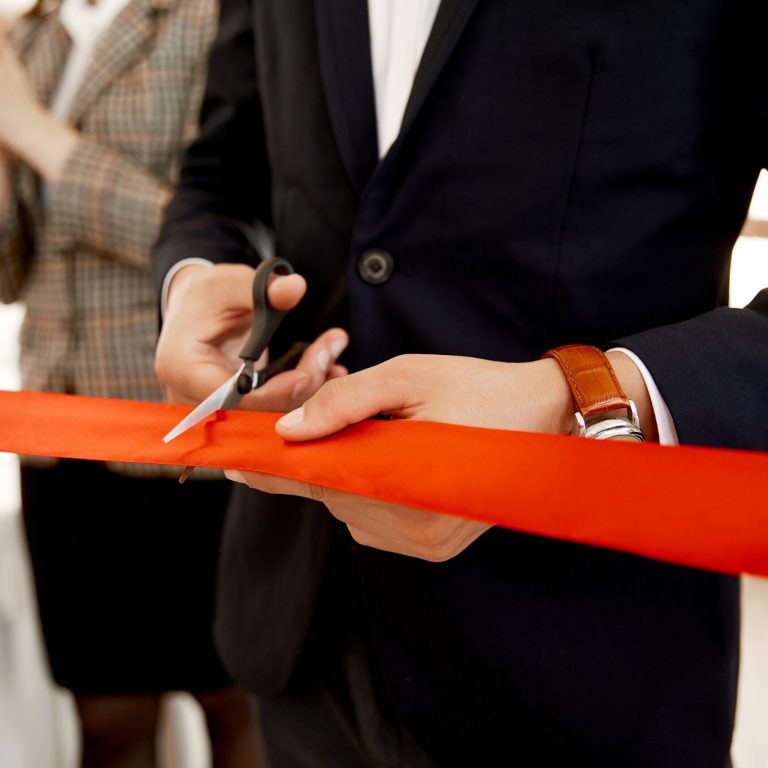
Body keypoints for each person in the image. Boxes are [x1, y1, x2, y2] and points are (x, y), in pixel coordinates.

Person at [152, 0, 768, 765]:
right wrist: (190, 281)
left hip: (586, 658)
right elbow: (220, 174)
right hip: (301, 632)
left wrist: (581, 398)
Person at [0, 0, 282, 764]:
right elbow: (11, 273)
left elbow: (213, 230)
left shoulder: (214, 20)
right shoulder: (29, 37)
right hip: (60, 438)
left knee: (237, 706)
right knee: (105, 723)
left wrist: (33, 131)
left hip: (184, 424)